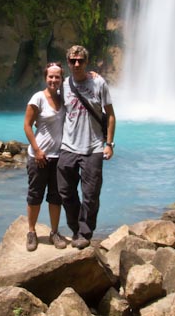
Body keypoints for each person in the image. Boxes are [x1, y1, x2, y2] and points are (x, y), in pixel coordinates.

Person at [58, 45, 116, 249]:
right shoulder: (63, 85)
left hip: (94, 147)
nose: (76, 64)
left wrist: (109, 144)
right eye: (72, 60)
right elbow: (54, 107)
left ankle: (85, 232)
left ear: (86, 62)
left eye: (80, 60)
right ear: (68, 62)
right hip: (68, 146)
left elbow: (110, 114)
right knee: (65, 191)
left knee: (91, 194)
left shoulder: (98, 82)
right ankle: (75, 228)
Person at [23, 62, 68, 251]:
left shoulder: (64, 99)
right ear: (45, 77)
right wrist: (37, 150)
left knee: (56, 196)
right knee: (35, 195)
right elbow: (27, 125)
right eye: (51, 76)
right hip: (39, 156)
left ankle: (54, 232)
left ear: (61, 79)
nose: (54, 80)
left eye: (57, 77)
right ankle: (31, 232)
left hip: (59, 156)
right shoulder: (38, 98)